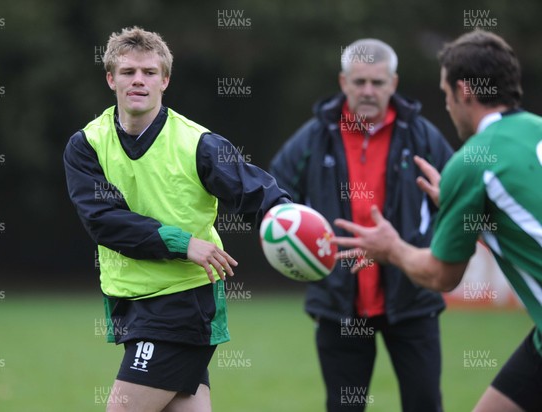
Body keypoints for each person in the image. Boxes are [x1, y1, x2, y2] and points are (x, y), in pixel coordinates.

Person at [63, 26, 290, 412]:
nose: (139, 80)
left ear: (165, 80)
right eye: (128, 72)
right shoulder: (87, 144)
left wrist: (301, 229)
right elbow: (103, 220)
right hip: (130, 304)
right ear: (110, 78)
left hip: (183, 303)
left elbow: (258, 193)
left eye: (150, 72)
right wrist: (182, 242)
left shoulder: (198, 143)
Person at [334, 30, 542, 412]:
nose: (446, 105)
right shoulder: (536, 129)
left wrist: (390, 248)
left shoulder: (473, 159)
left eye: (445, 94)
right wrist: (459, 205)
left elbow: (441, 276)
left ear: (464, 92)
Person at [270, 39, 453, 411]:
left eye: (377, 82)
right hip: (339, 301)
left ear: (394, 83)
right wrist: (299, 247)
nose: (368, 91)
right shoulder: (315, 135)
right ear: (343, 82)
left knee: (425, 403)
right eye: (359, 82)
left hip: (412, 294)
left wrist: (429, 250)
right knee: (344, 406)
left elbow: (454, 197)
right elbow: (273, 193)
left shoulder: (421, 135)